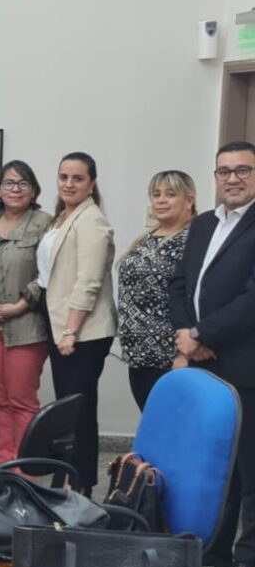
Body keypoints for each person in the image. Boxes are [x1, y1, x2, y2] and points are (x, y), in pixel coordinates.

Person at [169, 142, 255, 567]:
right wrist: (187, 335)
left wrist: (202, 332)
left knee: (250, 469)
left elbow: (251, 300)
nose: (233, 178)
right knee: (216, 467)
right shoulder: (203, 224)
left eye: (243, 170)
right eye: (224, 171)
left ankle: (247, 555)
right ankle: (215, 551)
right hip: (204, 364)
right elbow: (180, 285)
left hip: (245, 365)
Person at [38, 151, 115, 495]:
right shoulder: (64, 217)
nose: (69, 184)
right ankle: (71, 481)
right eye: (64, 177)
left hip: (82, 332)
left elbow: (89, 281)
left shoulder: (92, 220)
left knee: (80, 412)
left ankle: (82, 486)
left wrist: (70, 330)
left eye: (78, 178)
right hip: (61, 327)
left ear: (92, 184)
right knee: (69, 409)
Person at [0, 160, 52, 464]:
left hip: (26, 324)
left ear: (33, 190)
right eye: (9, 183)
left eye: (23, 183)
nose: (15, 189)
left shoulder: (45, 223)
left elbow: (48, 274)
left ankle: (26, 468)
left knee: (22, 400)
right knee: (2, 399)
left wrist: (20, 305)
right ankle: (3, 463)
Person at [117, 170, 195, 409]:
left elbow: (194, 298)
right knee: (151, 424)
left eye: (170, 194)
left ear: (189, 200)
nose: (160, 200)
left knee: (172, 428)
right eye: (156, 194)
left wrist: (184, 355)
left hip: (170, 356)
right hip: (138, 355)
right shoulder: (148, 237)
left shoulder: (192, 239)